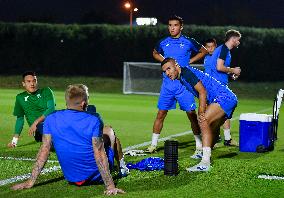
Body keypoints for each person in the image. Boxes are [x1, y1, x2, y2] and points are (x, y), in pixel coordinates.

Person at [11, 84, 127, 195]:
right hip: (95, 176)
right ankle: (123, 168)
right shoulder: (94, 120)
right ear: (83, 103)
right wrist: (110, 186)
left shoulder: (50, 119)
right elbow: (99, 153)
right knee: (110, 132)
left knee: (99, 137)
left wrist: (30, 181)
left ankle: (120, 167)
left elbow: (44, 150)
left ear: (67, 101)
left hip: (71, 177)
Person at [161, 58, 238, 172]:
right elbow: (204, 91)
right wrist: (205, 107)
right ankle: (206, 155)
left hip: (223, 98)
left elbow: (202, 91)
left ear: (176, 65)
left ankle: (205, 162)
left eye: (169, 68)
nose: (167, 73)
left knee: (203, 120)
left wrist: (201, 111)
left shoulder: (186, 73)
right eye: (164, 71)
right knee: (213, 127)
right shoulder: (182, 77)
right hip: (224, 98)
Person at [146, 15, 207, 158]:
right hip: (167, 86)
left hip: (183, 85)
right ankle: (153, 145)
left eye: (175, 25)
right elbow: (155, 53)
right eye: (170, 25)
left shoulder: (188, 41)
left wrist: (190, 60)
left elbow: (203, 50)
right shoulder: (164, 42)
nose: (172, 28)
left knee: (191, 115)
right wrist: (164, 60)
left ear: (181, 27)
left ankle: (199, 146)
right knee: (161, 114)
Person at [205, 30, 242, 146]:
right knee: (223, 111)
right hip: (218, 87)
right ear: (233, 39)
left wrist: (230, 74)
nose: (239, 42)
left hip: (215, 86)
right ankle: (213, 140)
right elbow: (219, 67)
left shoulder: (221, 49)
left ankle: (219, 138)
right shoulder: (224, 50)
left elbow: (218, 68)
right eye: (238, 40)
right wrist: (233, 70)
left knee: (222, 112)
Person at [7, 71, 56, 147]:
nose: (32, 84)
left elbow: (51, 109)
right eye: (28, 81)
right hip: (40, 129)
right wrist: (14, 141)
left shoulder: (46, 91)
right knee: (52, 142)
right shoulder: (20, 98)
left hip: (53, 124)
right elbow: (20, 119)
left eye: (34, 81)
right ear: (23, 83)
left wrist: (36, 121)